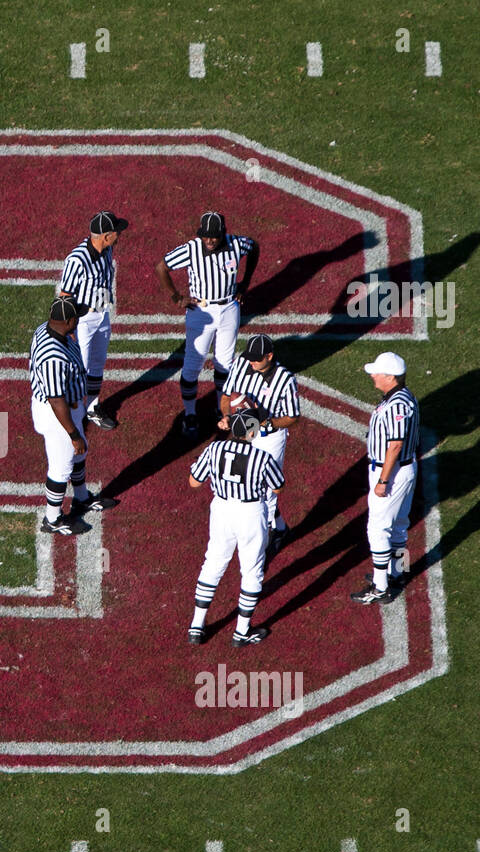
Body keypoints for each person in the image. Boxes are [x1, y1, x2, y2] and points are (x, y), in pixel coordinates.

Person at [157, 211, 259, 438]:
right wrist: (176, 297)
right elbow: (162, 267)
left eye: (214, 236)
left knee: (225, 364)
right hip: (201, 311)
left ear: (223, 233)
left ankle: (220, 408)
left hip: (229, 307)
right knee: (193, 365)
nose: (209, 240)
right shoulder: (191, 249)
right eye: (205, 236)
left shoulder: (236, 243)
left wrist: (245, 284)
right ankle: (190, 413)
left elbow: (254, 247)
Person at [186, 409, 284, 646]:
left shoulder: (215, 449)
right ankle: (241, 632)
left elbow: (194, 482)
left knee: (213, 563)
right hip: (250, 513)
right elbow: (278, 487)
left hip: (221, 510)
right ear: (252, 432)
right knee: (251, 570)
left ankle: (196, 626)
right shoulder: (262, 457)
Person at [29, 297, 116, 534]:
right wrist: (73, 433)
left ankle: (81, 497)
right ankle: (53, 519)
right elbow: (56, 400)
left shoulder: (48, 330)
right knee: (61, 466)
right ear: (67, 320)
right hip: (58, 415)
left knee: (80, 452)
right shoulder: (53, 357)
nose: (80, 318)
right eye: (76, 316)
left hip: (69, 407)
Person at [218, 333, 301, 556]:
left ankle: (261, 548)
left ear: (270, 356)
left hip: (269, 437)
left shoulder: (285, 379)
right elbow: (227, 397)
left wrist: (267, 421)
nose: (252, 361)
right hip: (243, 435)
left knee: (264, 492)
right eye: (250, 357)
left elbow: (293, 416)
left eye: (257, 358)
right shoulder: (241, 365)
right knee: (246, 484)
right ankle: (281, 528)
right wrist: (227, 416)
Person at [351, 352, 420, 605]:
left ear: (390, 377)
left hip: (391, 471)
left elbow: (395, 444)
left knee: (378, 528)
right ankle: (397, 572)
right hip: (404, 468)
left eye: (377, 372)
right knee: (399, 524)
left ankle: (380, 587)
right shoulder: (402, 395)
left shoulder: (398, 404)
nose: (372, 375)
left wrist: (383, 480)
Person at [57, 210, 129, 430]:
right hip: (83, 319)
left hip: (102, 313)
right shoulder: (77, 259)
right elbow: (65, 296)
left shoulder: (107, 250)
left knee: (97, 363)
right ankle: (72, 411)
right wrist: (68, 328)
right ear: (106, 236)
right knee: (80, 367)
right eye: (116, 231)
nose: (119, 234)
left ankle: (92, 407)